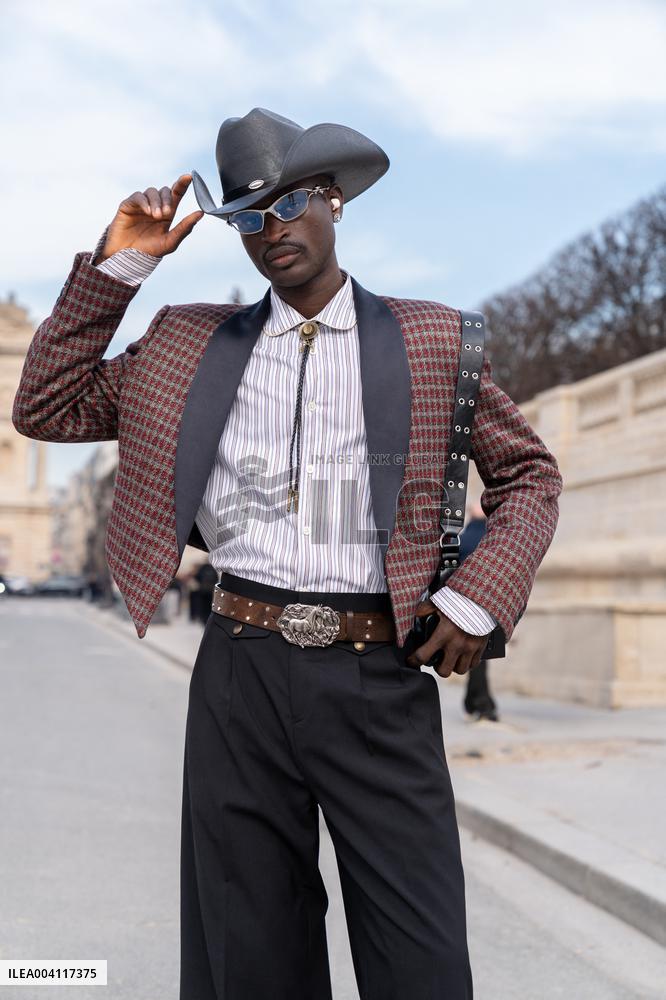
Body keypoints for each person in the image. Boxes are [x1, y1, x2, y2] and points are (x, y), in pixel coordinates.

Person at [13, 108, 563, 1000]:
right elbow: (45, 407)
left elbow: (530, 476)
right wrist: (123, 265)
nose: (274, 231)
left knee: (421, 963)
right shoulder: (183, 345)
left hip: (379, 679)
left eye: (291, 203)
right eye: (250, 217)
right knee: (248, 959)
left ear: (334, 201)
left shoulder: (430, 341)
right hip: (240, 672)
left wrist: (476, 597)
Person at [458, 501, 500, 722]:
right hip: (483, 605)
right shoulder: (485, 535)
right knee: (480, 656)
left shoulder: (464, 537)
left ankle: (475, 701)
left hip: (467, 604)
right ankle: (482, 704)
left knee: (478, 656)